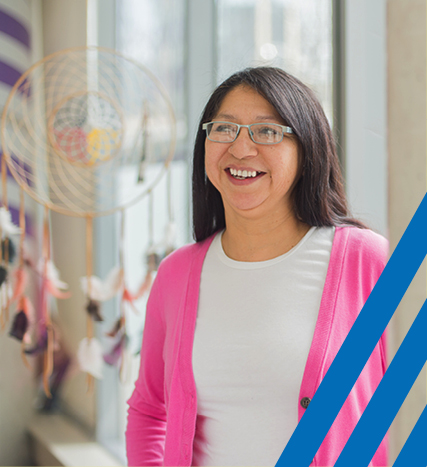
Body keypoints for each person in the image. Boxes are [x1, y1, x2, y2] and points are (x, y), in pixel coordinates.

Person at [126, 67, 388, 467]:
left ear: (307, 149)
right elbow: (149, 409)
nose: (241, 149)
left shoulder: (367, 261)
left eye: (267, 132)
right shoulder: (177, 274)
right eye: (224, 129)